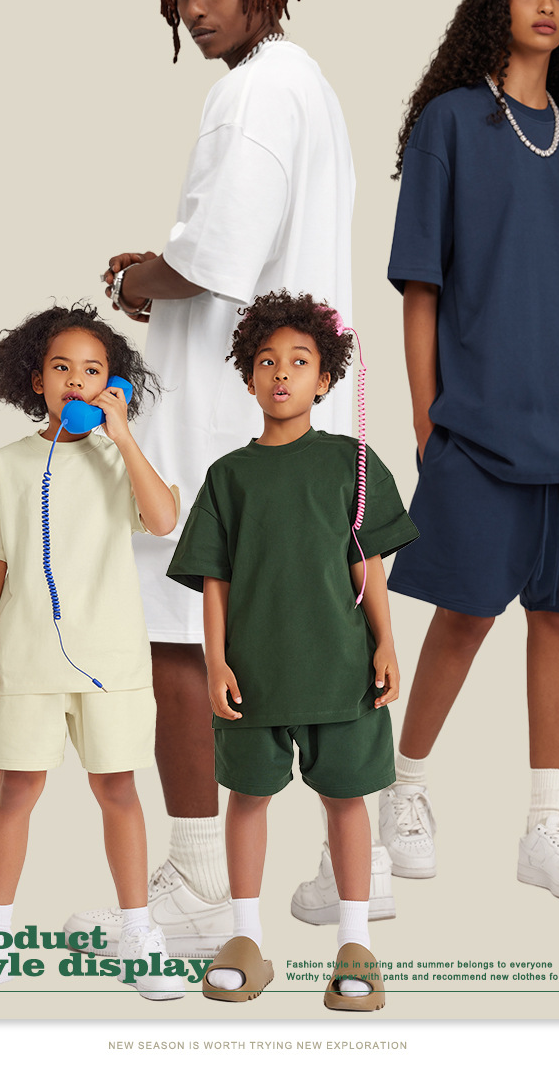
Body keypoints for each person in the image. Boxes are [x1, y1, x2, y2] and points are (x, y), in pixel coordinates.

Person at [68, 0, 357, 955]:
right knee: (294, 633)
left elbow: (213, 260)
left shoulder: (250, 94)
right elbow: (243, 252)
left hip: (223, 419)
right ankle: (343, 869)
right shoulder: (305, 83)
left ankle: (194, 884)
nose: (195, 7)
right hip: (289, 404)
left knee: (180, 631)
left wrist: (136, 278)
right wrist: (171, 269)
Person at [379, 0, 559, 903]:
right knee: (466, 610)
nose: (545, 6)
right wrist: (425, 419)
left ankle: (546, 825)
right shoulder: (450, 123)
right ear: (498, 4)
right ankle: (405, 791)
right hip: (480, 422)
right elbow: (422, 286)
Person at [167, 291, 419, 1009]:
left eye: (299, 361)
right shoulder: (228, 476)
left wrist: (386, 643)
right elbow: (214, 581)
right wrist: (216, 661)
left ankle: (355, 942)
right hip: (253, 677)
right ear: (249, 378)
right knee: (247, 798)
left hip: (342, 673)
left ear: (326, 378)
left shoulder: (354, 464)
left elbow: (367, 565)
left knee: (347, 800)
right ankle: (245, 937)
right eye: (267, 361)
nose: (282, 373)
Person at [0, 304, 185, 1002]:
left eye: (93, 370)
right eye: (61, 368)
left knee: (118, 791)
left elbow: (164, 520)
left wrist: (123, 436)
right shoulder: (8, 464)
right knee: (16, 790)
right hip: (25, 660)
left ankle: (138, 933)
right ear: (35, 379)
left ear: (114, 385)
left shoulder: (119, 459)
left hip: (112, 663)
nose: (76, 380)